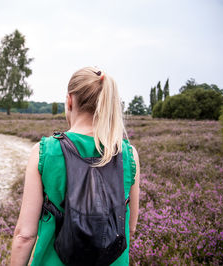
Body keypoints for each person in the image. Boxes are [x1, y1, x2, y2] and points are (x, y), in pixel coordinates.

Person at [10, 66, 140, 266]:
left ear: (70, 100)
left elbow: (24, 236)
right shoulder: (128, 154)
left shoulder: (45, 151)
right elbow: (129, 228)